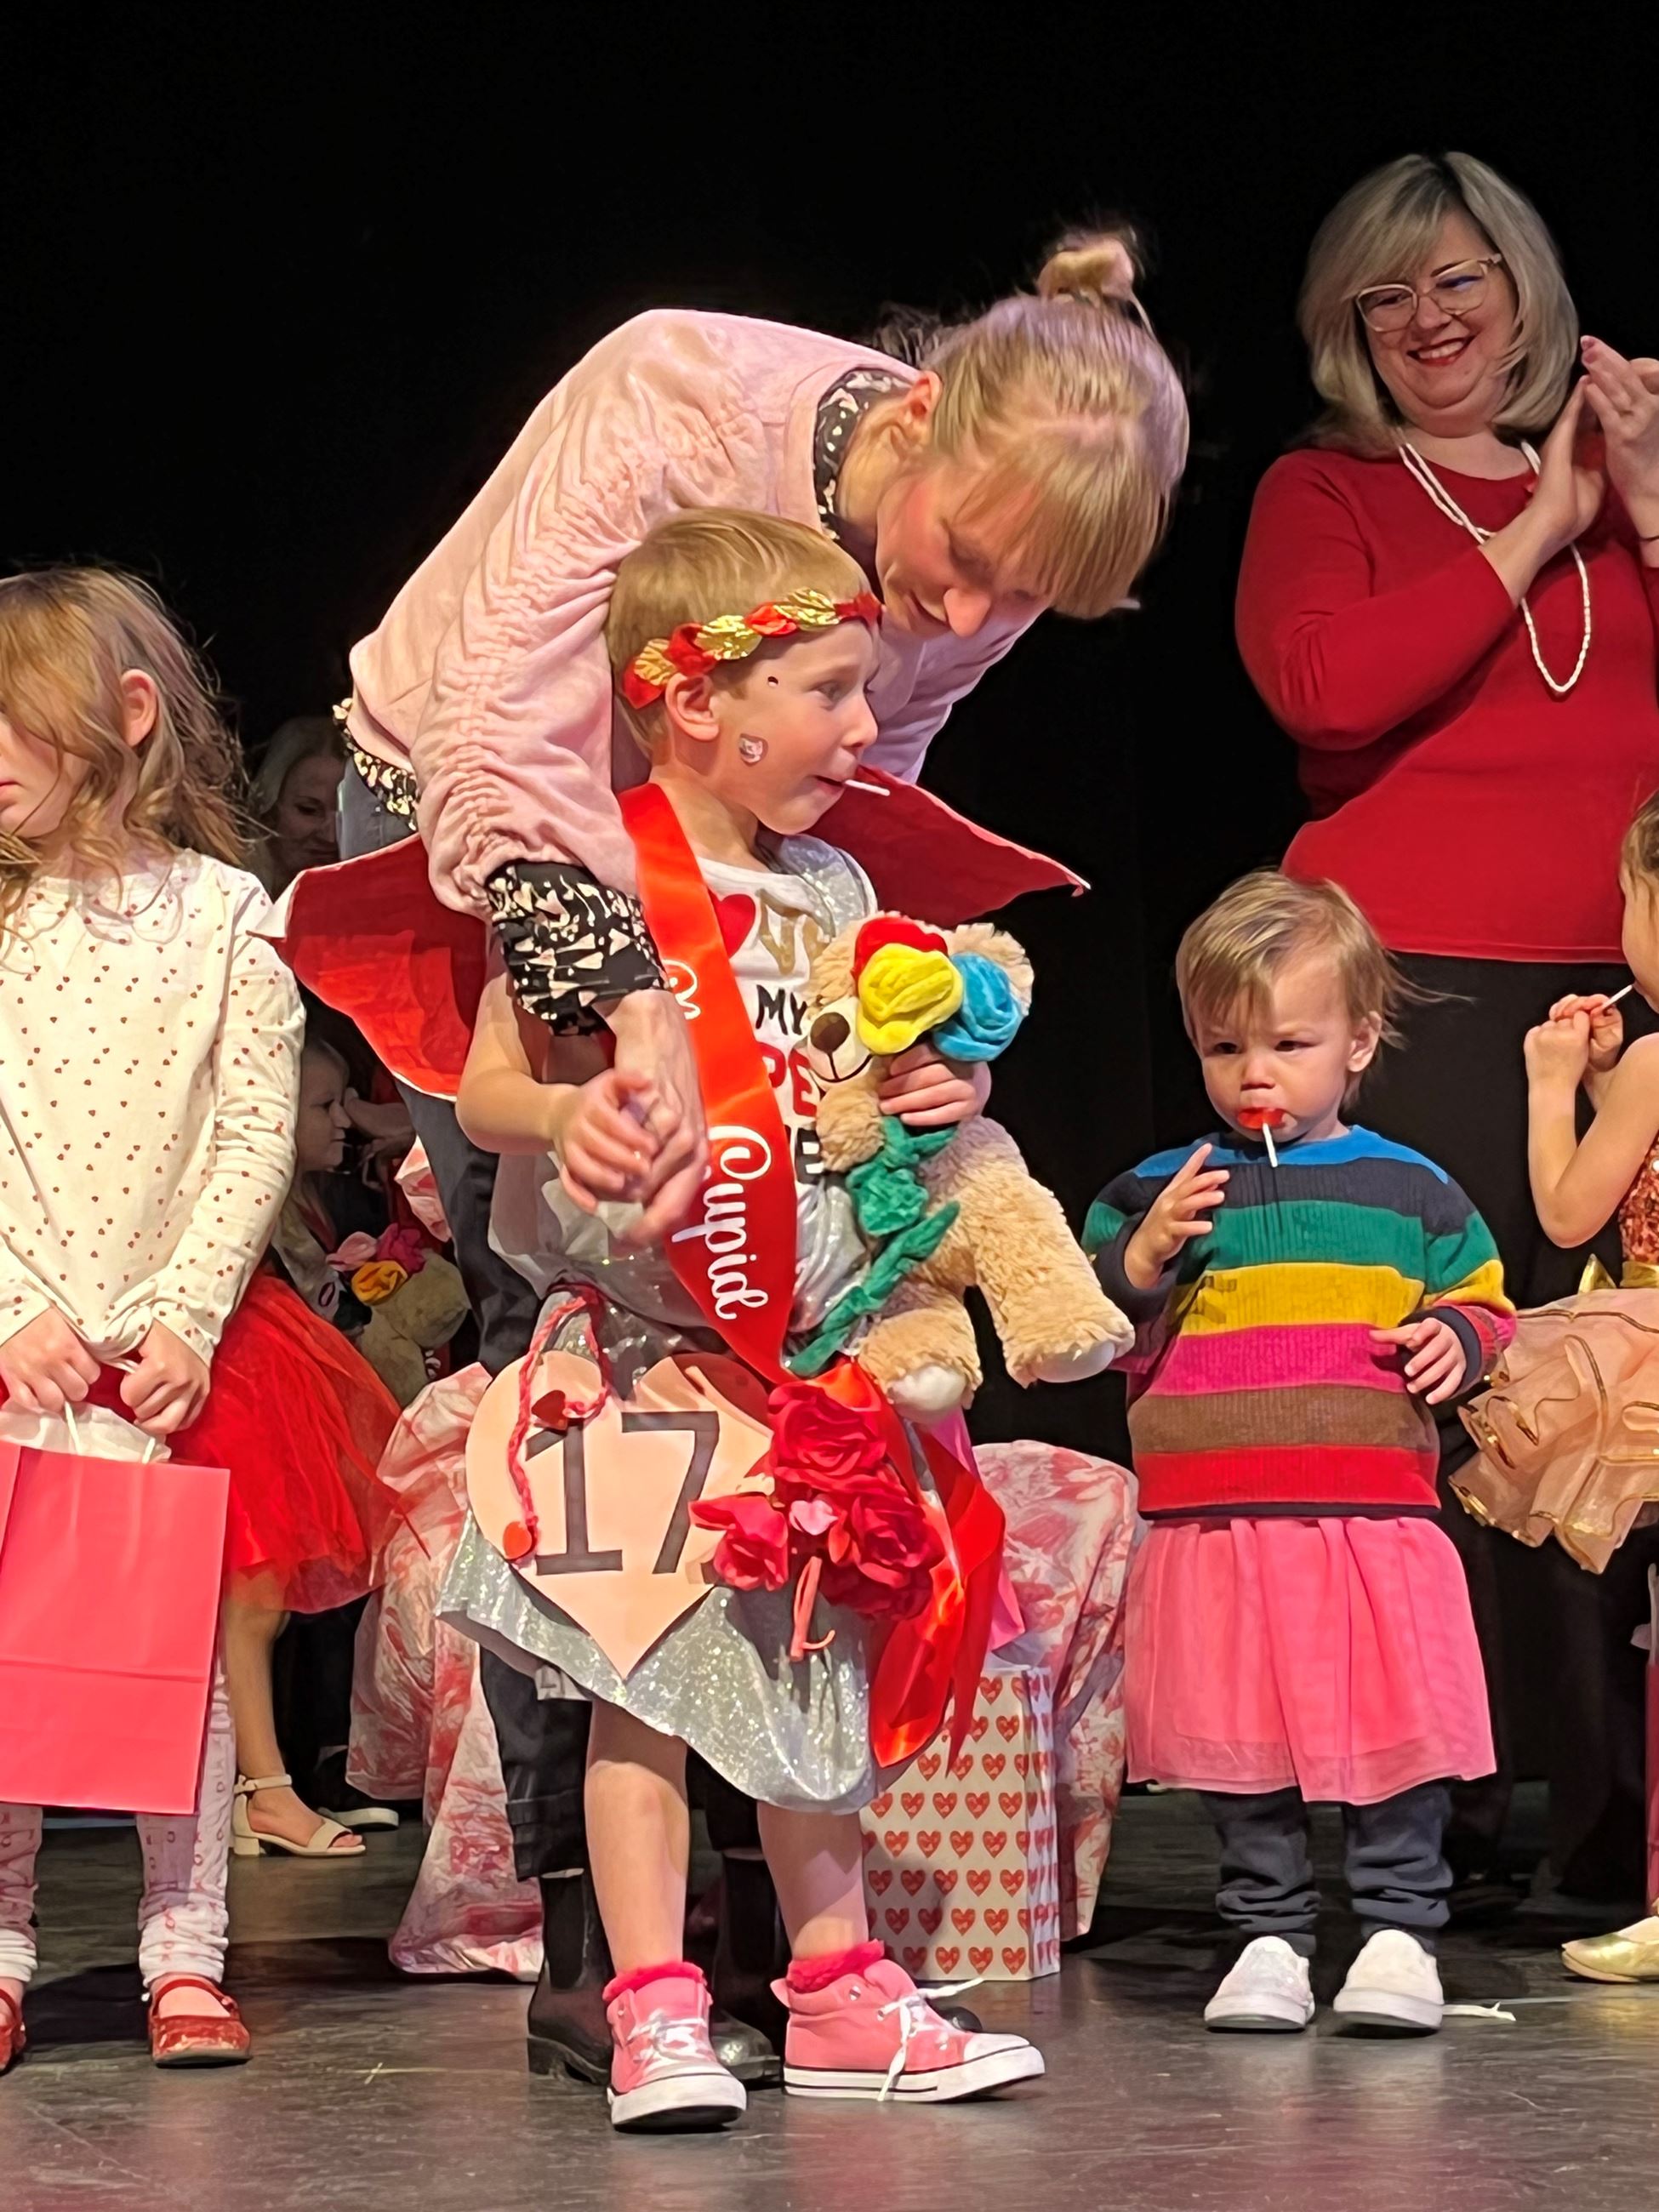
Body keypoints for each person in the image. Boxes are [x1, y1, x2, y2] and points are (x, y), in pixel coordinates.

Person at [326, 230, 1189, 2076]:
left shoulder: (983, 564)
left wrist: (883, 1043)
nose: (960, 603)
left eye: (1017, 594)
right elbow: (517, 745)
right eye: (964, 553)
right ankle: (599, 1940)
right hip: (491, 821)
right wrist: (643, 1032)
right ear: (930, 408)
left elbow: (857, 797)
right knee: (565, 1360)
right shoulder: (674, 394)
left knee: (783, 1403)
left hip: (723, 893)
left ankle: (793, 1939)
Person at [448, 510, 1041, 2129]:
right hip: (644, 1353)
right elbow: (491, 1069)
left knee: (806, 1671)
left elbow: (871, 1081)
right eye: (835, 690)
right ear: (698, 699)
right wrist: (553, 1119)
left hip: (806, 1360)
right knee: (645, 1680)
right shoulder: (597, 872)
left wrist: (947, 1081)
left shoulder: (837, 883)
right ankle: (652, 2005)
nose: (867, 727)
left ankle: (838, 1987)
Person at [1234, 149, 1659, 1907]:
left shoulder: (1627, 482)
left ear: (1527, 291)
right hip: (1398, 1000)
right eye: (1387, 293)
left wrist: (1643, 492)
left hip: (1621, 999)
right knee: (1428, 1390)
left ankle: (1608, 1809)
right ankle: (1425, 1800)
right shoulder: (1324, 488)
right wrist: (1540, 522)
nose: (1428, 320)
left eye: (1462, 279)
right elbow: (1324, 688)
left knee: (1612, 1415)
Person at [1086, 871, 1514, 2036]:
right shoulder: (1160, 1191)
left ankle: (1393, 1932)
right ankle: (1266, 1931)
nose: (1254, 1072)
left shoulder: (1409, 1187)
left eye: (1287, 1041)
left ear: (1358, 1042)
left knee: (1387, 1731)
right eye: (1225, 1047)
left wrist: (1455, 1340)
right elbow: (1086, 1324)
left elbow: (1482, 1297)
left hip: (1368, 1516)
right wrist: (1142, 1257)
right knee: (1243, 1738)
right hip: (1214, 1520)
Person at [0, 566, 305, 2069]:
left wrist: (183, 1313)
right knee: (6, 1666)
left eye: (15, 719)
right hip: (13, 1346)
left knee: (159, 1665)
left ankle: (183, 1954)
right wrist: (9, 1310)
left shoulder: (226, 918)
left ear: (123, 718)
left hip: (156, 1355)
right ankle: (0, 1952)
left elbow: (253, 1133)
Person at [1451, 792, 1659, 1980]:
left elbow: (1573, 1210)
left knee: (1612, 1617)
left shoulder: (1652, 1056)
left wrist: (1547, 1087)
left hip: (1636, 1352)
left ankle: (1611, 1859)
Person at [223, 1035, 406, 1862]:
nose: (341, 1122)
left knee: (253, 1592)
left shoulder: (303, 1208)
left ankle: (256, 1785)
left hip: (259, 1346)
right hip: (233, 1354)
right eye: (323, 1106)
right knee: (248, 1590)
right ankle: (260, 1788)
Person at [247, 714, 345, 895]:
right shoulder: (222, 902)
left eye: (348, 815)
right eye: (309, 810)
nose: (331, 837)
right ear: (268, 809)